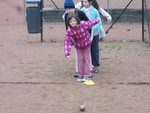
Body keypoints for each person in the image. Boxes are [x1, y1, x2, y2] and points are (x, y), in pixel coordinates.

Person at [64, 13, 100, 82]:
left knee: (86, 59)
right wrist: (67, 52)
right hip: (78, 46)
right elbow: (67, 41)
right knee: (80, 59)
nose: (73, 22)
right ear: (68, 23)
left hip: (86, 44)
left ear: (77, 20)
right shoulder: (69, 31)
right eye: (71, 21)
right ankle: (80, 74)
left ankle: (87, 74)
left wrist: (97, 20)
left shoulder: (83, 24)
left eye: (74, 21)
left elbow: (90, 23)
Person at [63, 0, 90, 77]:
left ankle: (88, 71)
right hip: (76, 39)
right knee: (79, 56)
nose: (68, 10)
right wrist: (70, 39)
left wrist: (87, 36)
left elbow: (88, 23)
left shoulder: (80, 13)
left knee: (86, 56)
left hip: (85, 37)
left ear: (73, 7)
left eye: (70, 8)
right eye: (66, 9)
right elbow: (67, 27)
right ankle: (79, 71)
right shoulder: (66, 15)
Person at [81, 0, 102, 73]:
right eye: (83, 2)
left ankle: (95, 65)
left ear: (90, 2)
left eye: (86, 2)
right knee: (85, 50)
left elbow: (99, 22)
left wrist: (93, 29)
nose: (84, 3)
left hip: (94, 34)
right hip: (85, 34)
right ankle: (86, 65)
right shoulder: (81, 11)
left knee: (94, 49)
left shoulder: (95, 11)